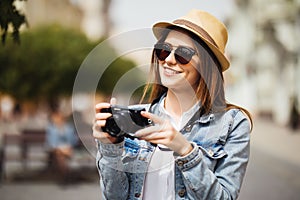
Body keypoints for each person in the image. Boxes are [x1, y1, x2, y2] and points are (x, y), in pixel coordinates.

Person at [93, 9, 253, 200]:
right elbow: (115, 197)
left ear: (207, 65)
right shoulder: (136, 118)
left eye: (184, 54)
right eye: (164, 50)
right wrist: (109, 147)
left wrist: (185, 150)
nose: (168, 60)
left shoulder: (232, 124)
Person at [45, 108, 78, 182]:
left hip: (67, 148)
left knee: (61, 157)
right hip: (55, 148)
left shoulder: (69, 127)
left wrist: (67, 147)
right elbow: (51, 142)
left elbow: (73, 140)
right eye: (55, 118)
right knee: (60, 155)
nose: (57, 119)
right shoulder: (51, 128)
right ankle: (66, 176)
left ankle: (64, 177)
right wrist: (60, 148)